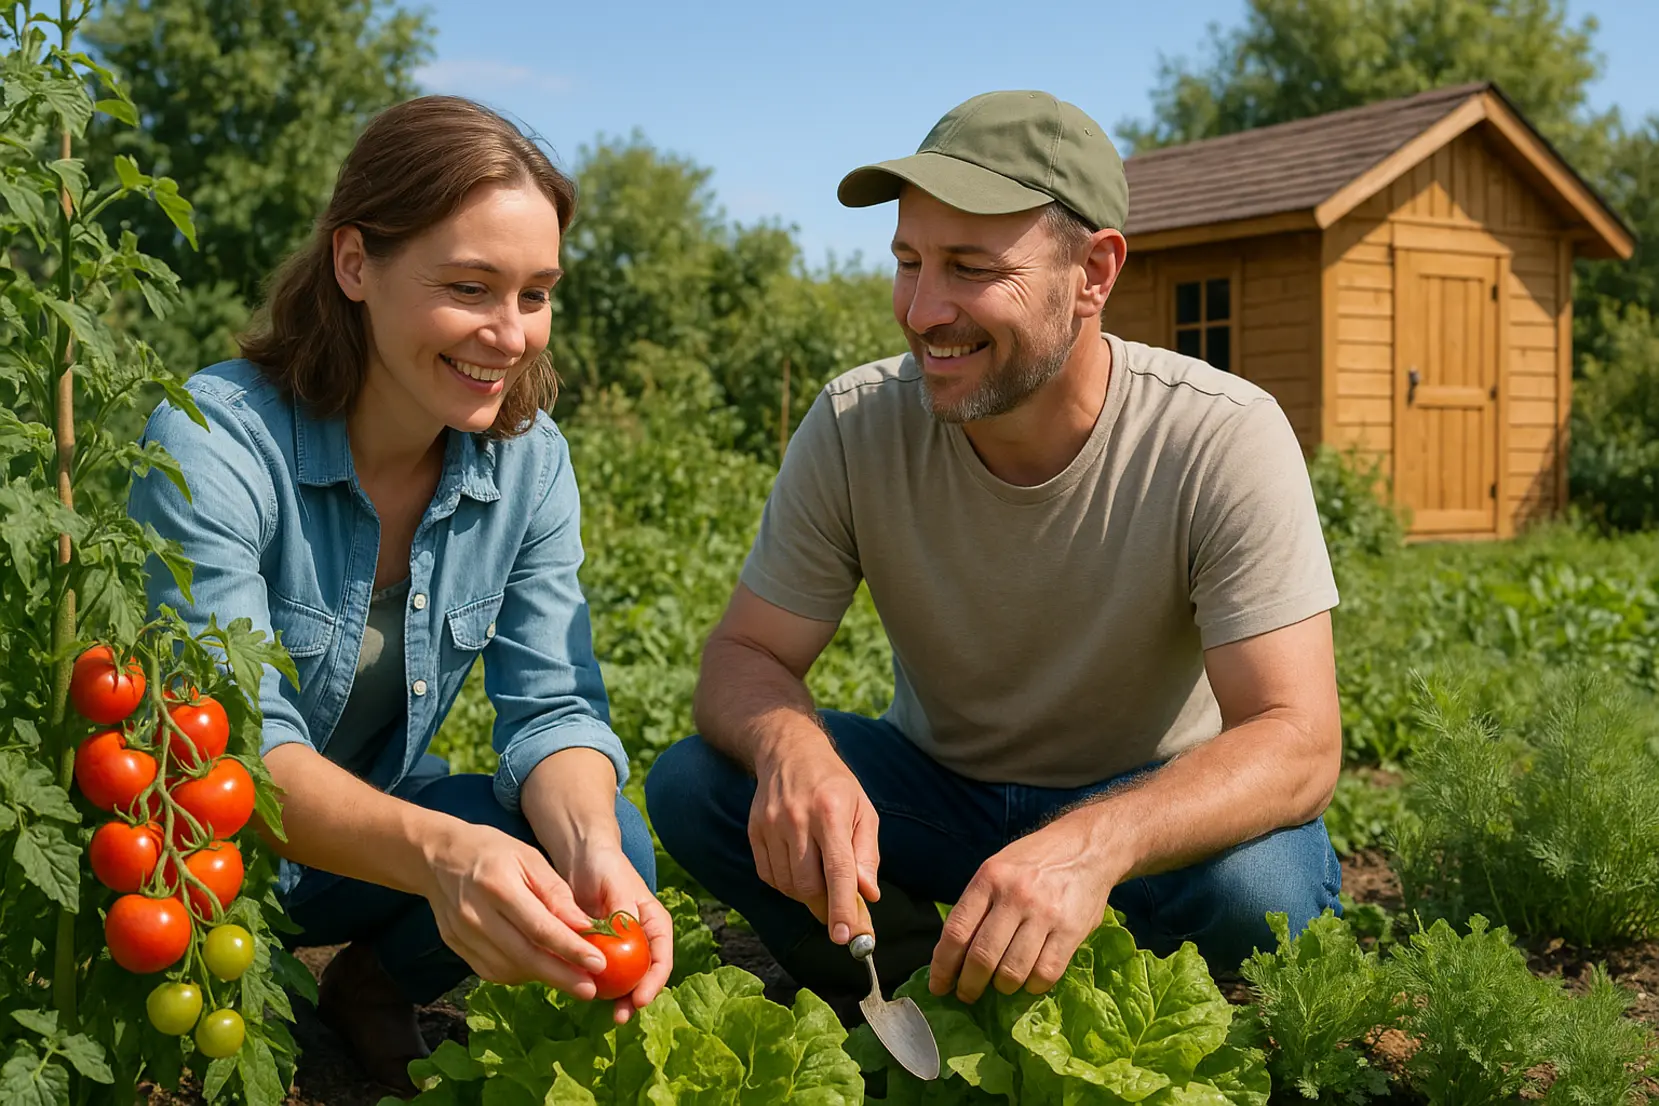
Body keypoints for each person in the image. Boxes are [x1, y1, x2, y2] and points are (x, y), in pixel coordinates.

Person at [646, 90, 1343, 1010]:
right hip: (939, 797)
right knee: (701, 786)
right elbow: (746, 656)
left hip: (1148, 810)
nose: (924, 310)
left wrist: (1092, 844)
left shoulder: (1219, 435)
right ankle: (919, 990)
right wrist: (792, 754)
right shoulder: (857, 424)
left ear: (1093, 273)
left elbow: (1297, 740)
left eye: (971, 268)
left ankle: (1089, 973)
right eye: (908, 262)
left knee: (1263, 894)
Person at [128, 95, 670, 1095]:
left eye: (536, 293)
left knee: (607, 835)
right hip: (197, 862)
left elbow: (552, 704)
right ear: (354, 264)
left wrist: (593, 847)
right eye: (470, 286)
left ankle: (372, 986)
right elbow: (231, 753)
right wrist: (440, 853)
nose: (510, 336)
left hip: (360, 854)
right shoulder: (212, 442)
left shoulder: (527, 465)